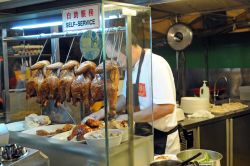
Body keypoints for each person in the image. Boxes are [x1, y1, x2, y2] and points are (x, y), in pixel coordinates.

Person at [83, 34, 180, 154]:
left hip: (162, 142)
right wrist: (103, 112)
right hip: (141, 139)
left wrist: (130, 118)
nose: (115, 63)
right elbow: (124, 98)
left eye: (115, 57)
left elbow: (166, 107)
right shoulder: (131, 67)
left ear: (127, 49)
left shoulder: (156, 64)